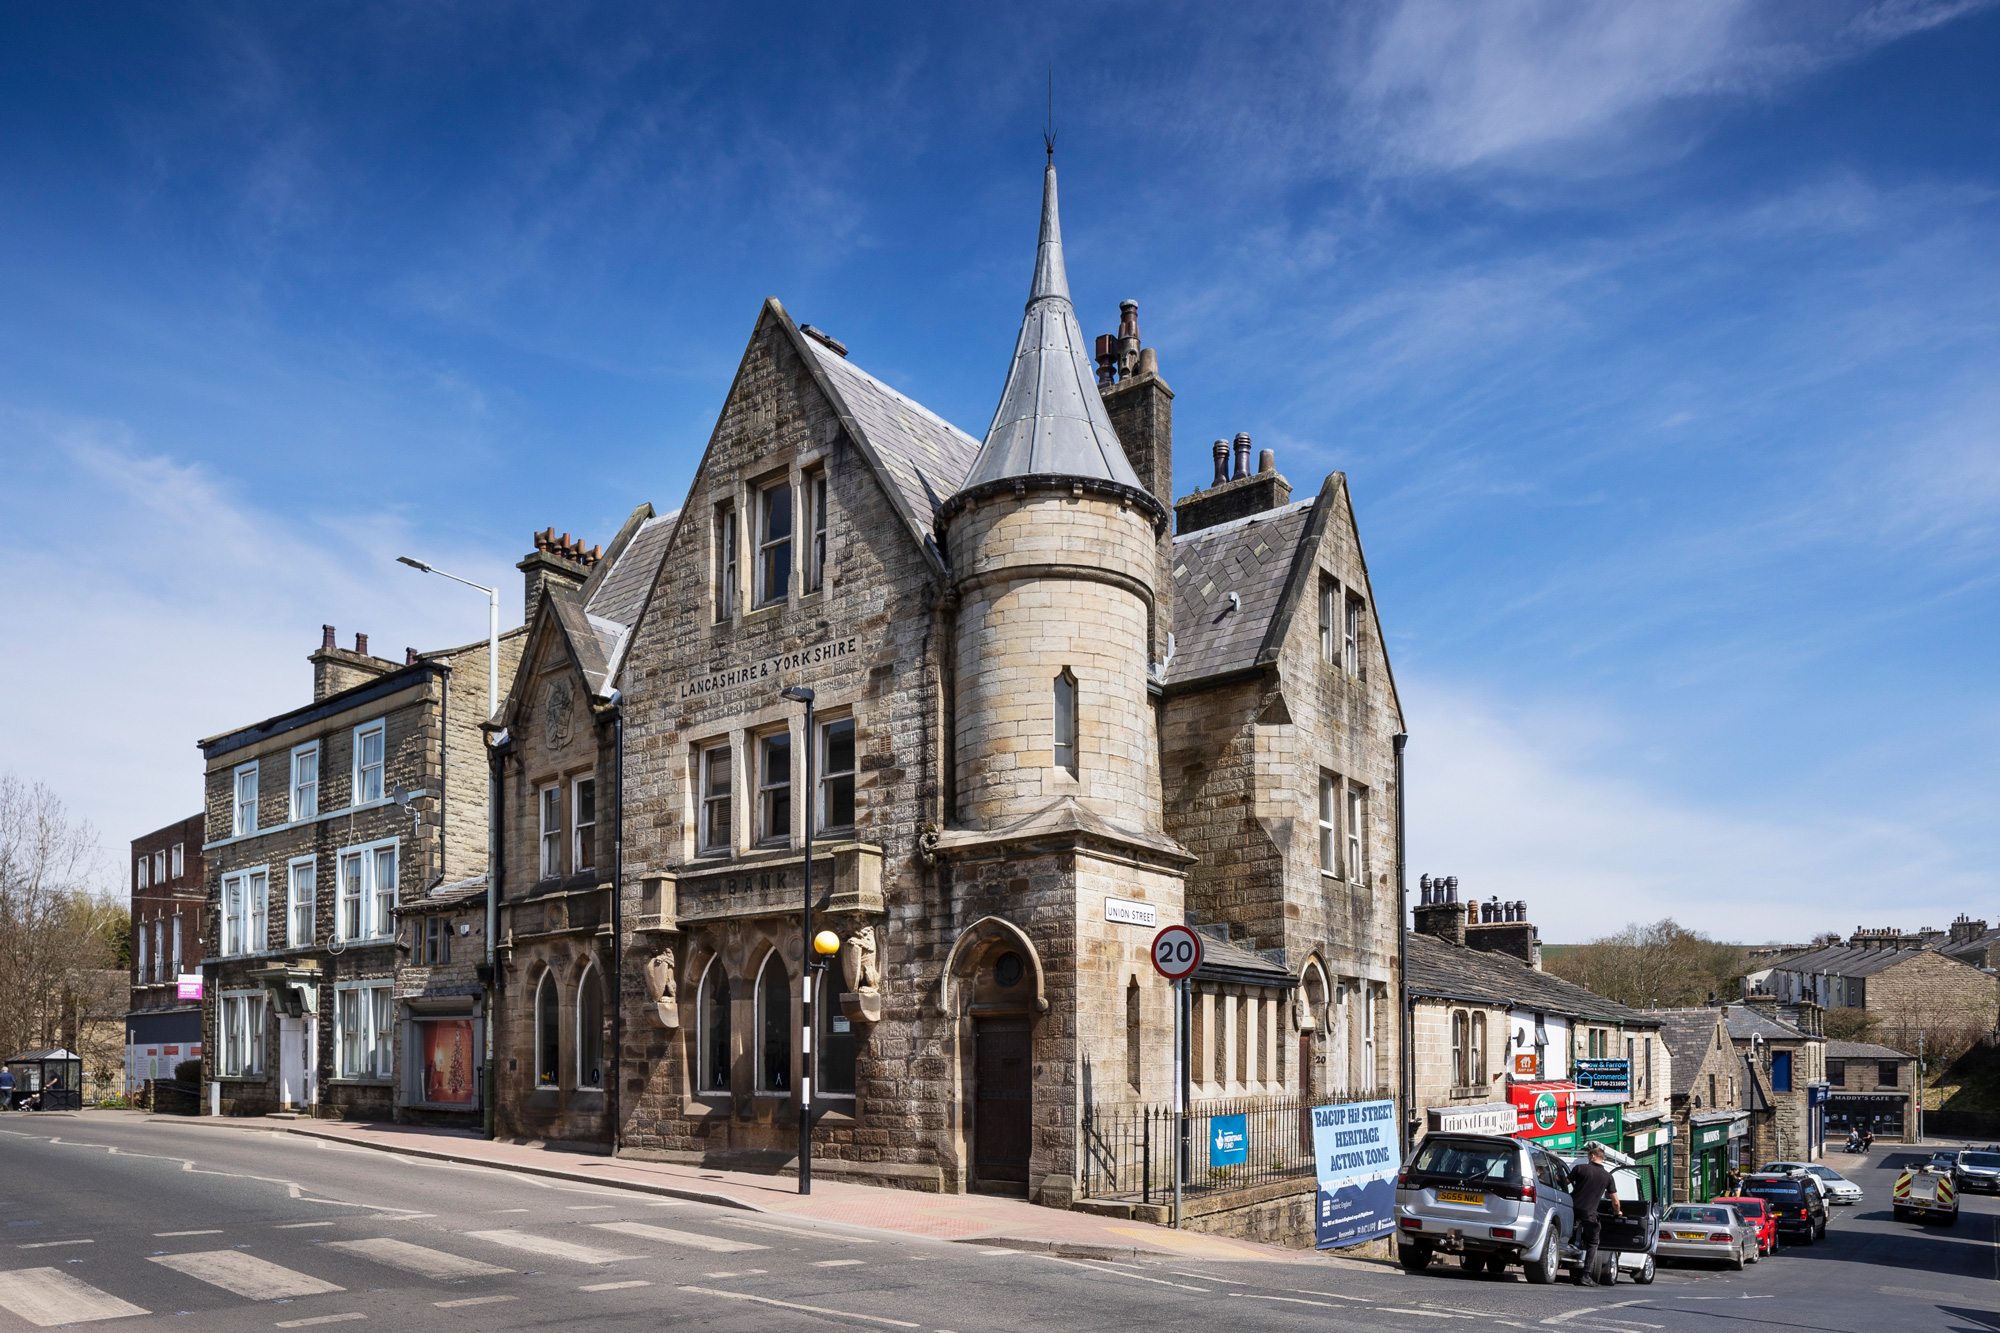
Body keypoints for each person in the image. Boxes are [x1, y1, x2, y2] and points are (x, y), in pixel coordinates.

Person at [1568, 1143, 1625, 1287]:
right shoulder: (1607, 1177)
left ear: (1592, 1156)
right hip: (1589, 1213)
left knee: (1567, 1235)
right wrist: (1617, 1212)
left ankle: (1565, 1255)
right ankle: (1585, 1275)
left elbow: (1563, 1182)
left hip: (1572, 1209)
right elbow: (1616, 1201)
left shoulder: (1579, 1169)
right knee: (1593, 1242)